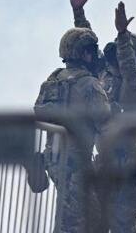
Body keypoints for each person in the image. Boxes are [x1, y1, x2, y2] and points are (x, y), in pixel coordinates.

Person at [68, 0, 136, 233]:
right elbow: (87, 49)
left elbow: (129, 66)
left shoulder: (135, 86)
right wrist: (79, 13)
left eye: (118, 56)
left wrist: (122, 35)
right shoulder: (107, 77)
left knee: (122, 225)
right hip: (103, 165)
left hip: (126, 171)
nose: (111, 61)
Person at [34, 25, 111, 233]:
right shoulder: (90, 85)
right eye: (91, 51)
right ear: (85, 53)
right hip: (77, 164)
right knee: (83, 221)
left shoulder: (53, 80)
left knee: (71, 215)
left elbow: (39, 112)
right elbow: (106, 126)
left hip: (53, 159)